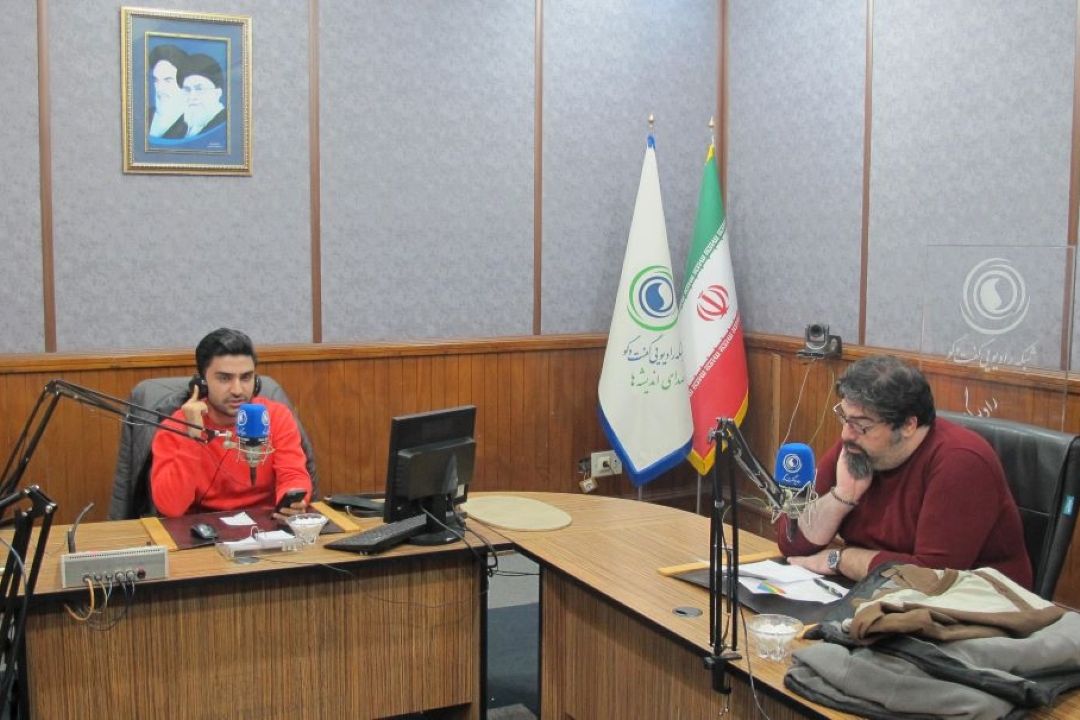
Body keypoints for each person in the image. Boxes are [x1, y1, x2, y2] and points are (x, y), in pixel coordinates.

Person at [778, 355, 1032, 588]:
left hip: (973, 605)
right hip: (879, 588)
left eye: (861, 425)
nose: (846, 433)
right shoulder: (856, 446)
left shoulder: (961, 461)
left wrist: (839, 559)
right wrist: (842, 496)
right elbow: (791, 543)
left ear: (909, 425)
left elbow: (930, 576)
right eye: (844, 418)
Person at [150, 328, 312, 517]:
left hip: (267, 523)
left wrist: (292, 502)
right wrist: (192, 435)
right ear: (202, 383)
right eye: (224, 378)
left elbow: (293, 475)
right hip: (202, 528)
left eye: (246, 377)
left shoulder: (275, 416)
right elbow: (170, 508)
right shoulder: (176, 426)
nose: (237, 390)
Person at [179, 53, 227, 139]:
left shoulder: (224, 125)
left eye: (199, 89)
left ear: (217, 93)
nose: (192, 97)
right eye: (187, 90)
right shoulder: (182, 129)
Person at [146, 44, 188, 139]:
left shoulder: (192, 125)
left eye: (168, 80)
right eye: (156, 80)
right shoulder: (145, 116)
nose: (159, 88)